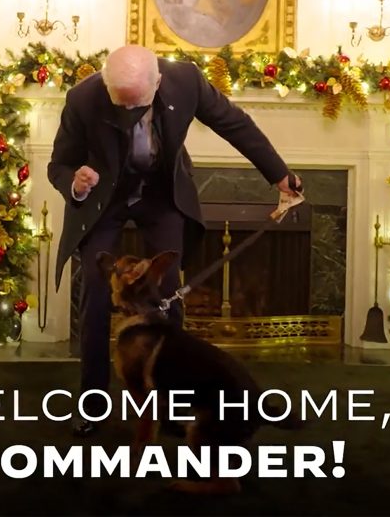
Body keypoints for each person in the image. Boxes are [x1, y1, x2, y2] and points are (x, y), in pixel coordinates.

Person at [47, 45, 301, 436]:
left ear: (159, 83)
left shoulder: (186, 81)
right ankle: (93, 404)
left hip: (161, 195)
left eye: (136, 104)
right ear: (105, 83)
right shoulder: (82, 98)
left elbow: (235, 125)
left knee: (169, 291)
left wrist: (279, 174)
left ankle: (172, 401)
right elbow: (59, 165)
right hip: (103, 200)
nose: (128, 112)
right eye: (119, 103)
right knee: (96, 295)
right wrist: (75, 183)